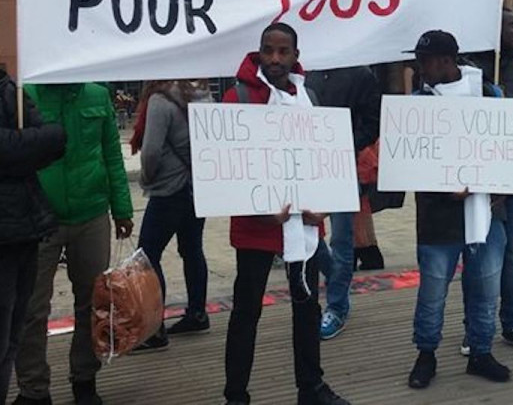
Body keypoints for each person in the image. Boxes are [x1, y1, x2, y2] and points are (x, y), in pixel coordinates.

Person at [222, 24, 349, 405]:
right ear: (259, 52)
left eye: (283, 51)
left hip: (304, 227)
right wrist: (259, 211)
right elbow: (227, 168)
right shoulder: (238, 97)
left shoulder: (308, 96)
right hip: (255, 228)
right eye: (268, 50)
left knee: (307, 310)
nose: (275, 59)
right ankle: (235, 395)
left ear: (295, 54)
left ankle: (310, 387)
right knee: (246, 313)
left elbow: (324, 161)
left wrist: (324, 204)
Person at [15, 82, 134, 405]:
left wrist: (122, 208)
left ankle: (85, 378)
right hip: (38, 218)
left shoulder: (97, 95)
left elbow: (112, 154)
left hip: (91, 213)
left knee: (93, 303)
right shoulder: (24, 95)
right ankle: (34, 388)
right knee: (31, 308)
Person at [406, 30, 511, 389]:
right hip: (438, 216)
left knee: (486, 286)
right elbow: (411, 161)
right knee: (433, 290)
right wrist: (441, 189)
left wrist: (502, 183)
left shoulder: (490, 95)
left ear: (447, 61)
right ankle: (426, 354)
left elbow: (508, 148)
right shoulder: (417, 103)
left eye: (425, 61)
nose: (420, 68)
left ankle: (481, 351)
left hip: (486, 211)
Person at [465, 8, 513, 355]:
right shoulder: (468, 72)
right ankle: (475, 328)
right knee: (479, 259)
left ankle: (511, 323)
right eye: (511, 25)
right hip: (479, 181)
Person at [129, 80, 211, 353]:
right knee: (192, 249)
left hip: (168, 190)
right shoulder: (202, 95)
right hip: (197, 188)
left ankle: (154, 330)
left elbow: (151, 151)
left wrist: (146, 179)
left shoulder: (159, 100)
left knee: (148, 255)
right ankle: (197, 312)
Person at [0, 69, 66, 405]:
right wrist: (30, 147)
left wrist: (26, 148)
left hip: (25, 226)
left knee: (14, 331)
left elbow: (52, 142)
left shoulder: (10, 86)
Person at [304, 66, 382, 341]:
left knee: (342, 240)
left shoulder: (362, 74)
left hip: (345, 167)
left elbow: (372, 122)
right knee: (309, 234)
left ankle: (337, 306)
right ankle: (338, 280)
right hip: (310, 165)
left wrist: (343, 145)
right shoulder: (308, 73)